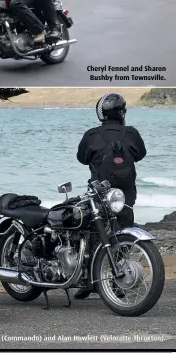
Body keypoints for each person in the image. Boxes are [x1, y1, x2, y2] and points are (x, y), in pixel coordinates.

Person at [76, 94, 147, 299]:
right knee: (123, 235)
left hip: (99, 193)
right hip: (125, 196)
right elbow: (141, 154)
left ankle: (90, 282)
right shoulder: (131, 133)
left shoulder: (91, 135)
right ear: (122, 112)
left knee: (94, 235)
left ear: (102, 114)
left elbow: (81, 158)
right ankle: (118, 283)